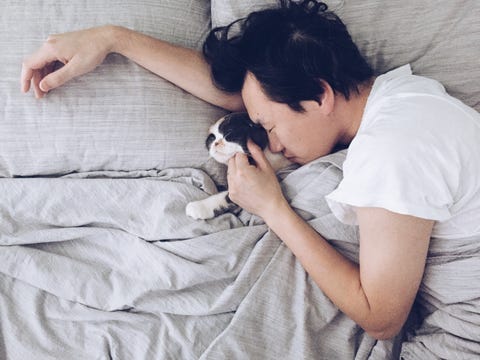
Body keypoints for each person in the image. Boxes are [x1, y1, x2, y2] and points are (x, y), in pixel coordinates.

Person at [20, 0, 480, 341]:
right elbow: (240, 97)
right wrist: (114, 39)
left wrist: (274, 209)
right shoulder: (401, 95)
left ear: (319, 96)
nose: (271, 143)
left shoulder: (393, 149)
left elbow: (382, 318)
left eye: (270, 127)